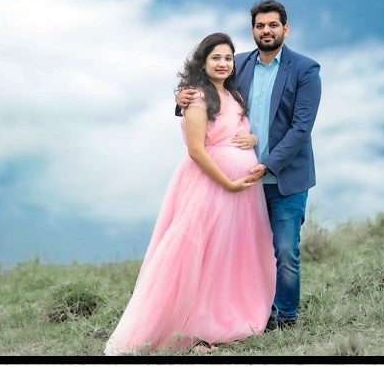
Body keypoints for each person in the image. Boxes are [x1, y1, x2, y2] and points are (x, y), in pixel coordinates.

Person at [105, 33, 276, 355]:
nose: (223, 63)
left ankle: (225, 316)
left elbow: (234, 130)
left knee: (229, 253)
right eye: (216, 58)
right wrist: (227, 182)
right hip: (212, 186)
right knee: (196, 252)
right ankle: (190, 326)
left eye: (228, 58)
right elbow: (197, 150)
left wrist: (251, 139)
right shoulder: (197, 97)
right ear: (203, 62)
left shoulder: (234, 95)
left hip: (242, 195)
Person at [177, 0, 321, 330]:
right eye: (260, 25)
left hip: (284, 179)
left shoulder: (305, 70)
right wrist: (180, 101)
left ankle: (284, 318)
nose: (266, 30)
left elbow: (301, 128)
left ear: (286, 29)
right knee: (244, 253)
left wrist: (267, 165)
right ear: (253, 30)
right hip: (242, 186)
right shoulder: (237, 64)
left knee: (285, 252)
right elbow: (209, 96)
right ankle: (249, 310)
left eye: (273, 25)